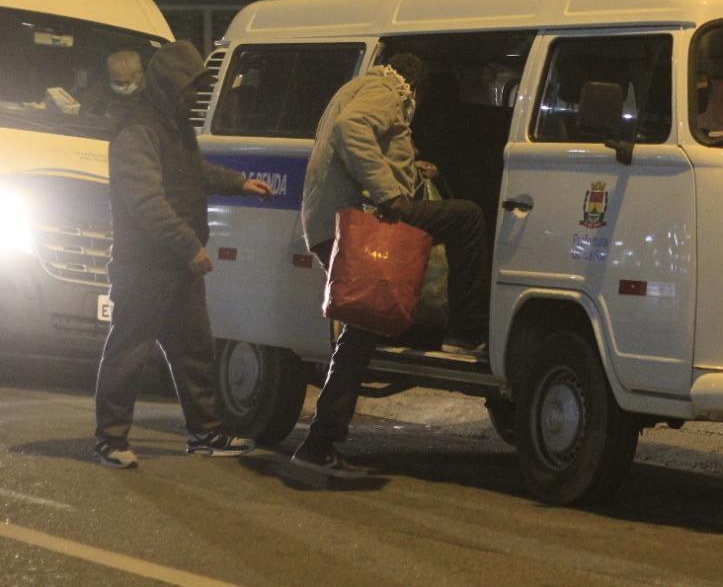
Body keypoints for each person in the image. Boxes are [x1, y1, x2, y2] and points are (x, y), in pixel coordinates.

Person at [292, 52, 491, 477]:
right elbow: (352, 131)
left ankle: (319, 443)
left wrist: (408, 167)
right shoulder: (387, 91)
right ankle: (464, 331)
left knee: (360, 332)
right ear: (414, 87)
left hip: (334, 223)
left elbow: (358, 140)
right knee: (468, 218)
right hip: (355, 224)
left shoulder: (357, 88)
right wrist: (390, 193)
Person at [93, 40, 273, 469]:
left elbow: (193, 172)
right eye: (190, 87)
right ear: (170, 85)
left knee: (193, 348)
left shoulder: (172, 123)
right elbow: (146, 202)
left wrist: (236, 182)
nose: (196, 95)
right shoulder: (138, 128)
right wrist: (189, 245)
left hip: (172, 264)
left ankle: (205, 434)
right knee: (129, 350)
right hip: (144, 264)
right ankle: (110, 440)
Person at [81, 49, 145, 117]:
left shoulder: (150, 96)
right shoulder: (97, 92)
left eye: (123, 82)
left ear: (138, 75)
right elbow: (81, 119)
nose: (119, 87)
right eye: (115, 81)